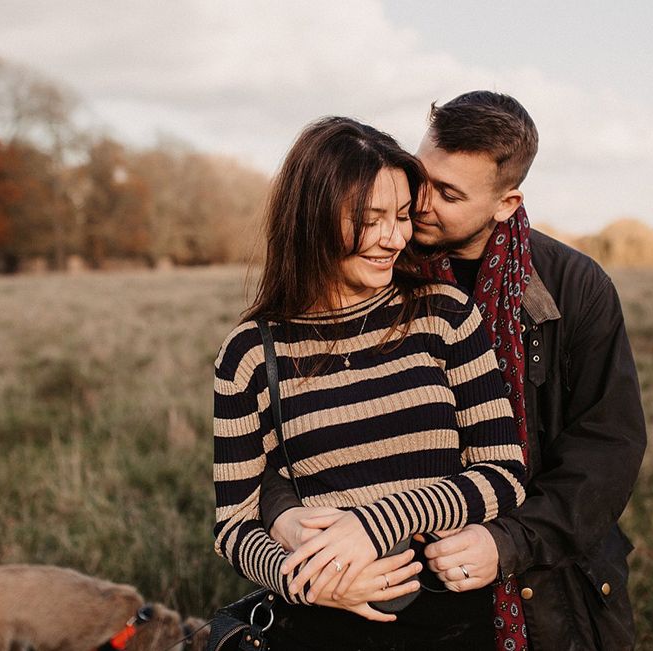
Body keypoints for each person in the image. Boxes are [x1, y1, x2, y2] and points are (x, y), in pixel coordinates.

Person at [262, 93, 647, 651]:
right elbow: (286, 419)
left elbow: (607, 448)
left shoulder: (574, 289)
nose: (418, 204)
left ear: (505, 203)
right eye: (421, 178)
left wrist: (508, 542)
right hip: (394, 583)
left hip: (549, 585)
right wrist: (283, 518)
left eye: (449, 194)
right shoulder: (373, 265)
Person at [213, 116, 527, 650]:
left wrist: (373, 524)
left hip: (452, 626)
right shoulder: (248, 354)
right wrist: (303, 579)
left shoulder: (445, 316)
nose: (393, 237)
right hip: (324, 627)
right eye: (370, 218)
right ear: (312, 218)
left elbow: (505, 474)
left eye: (402, 215)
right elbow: (234, 525)